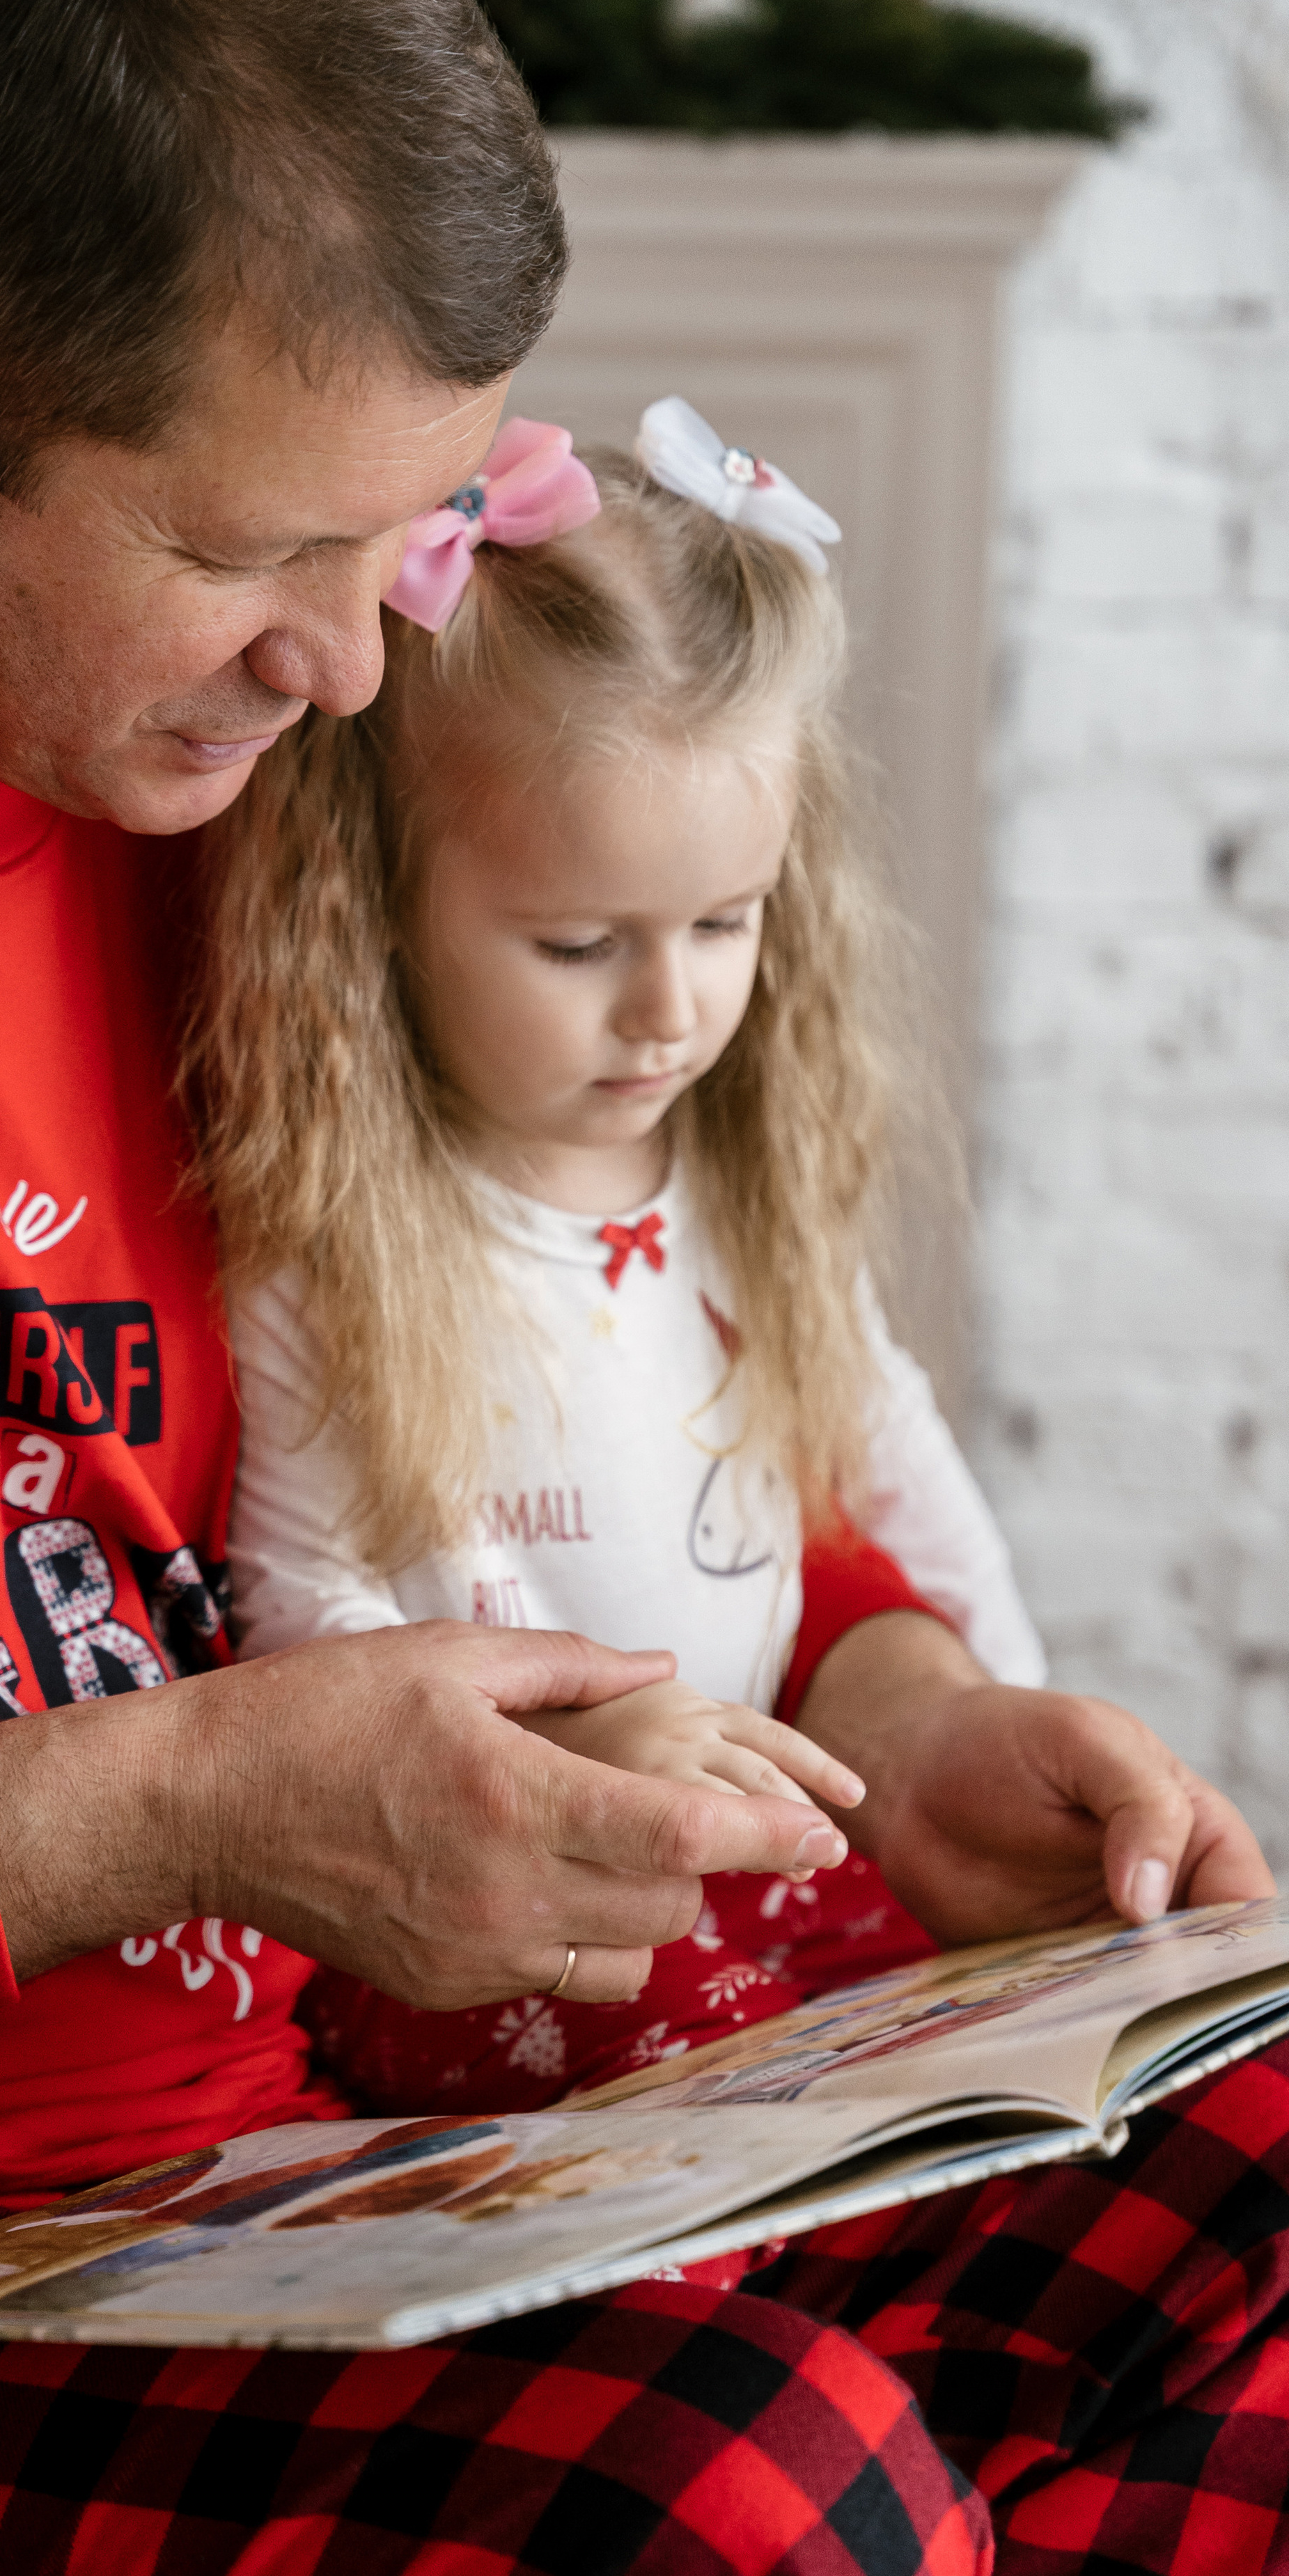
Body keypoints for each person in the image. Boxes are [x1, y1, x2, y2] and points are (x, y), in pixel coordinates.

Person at [0, 0, 1289, 2576]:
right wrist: (179, 1805)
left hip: (349, 2152)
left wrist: (894, 1702)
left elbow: (628, 1323)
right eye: (258, 550)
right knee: (751, 2500)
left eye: (411, 535)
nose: (345, 658)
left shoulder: (223, 751)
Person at [208, 403, 1050, 2112]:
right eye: (580, 944)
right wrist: (556, 1760)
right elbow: (300, 1621)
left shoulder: (737, 1186)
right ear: (375, 897)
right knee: (755, 2109)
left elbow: (887, 1465)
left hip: (771, 1873)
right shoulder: (339, 1241)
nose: (670, 1011)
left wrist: (990, 1706)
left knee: (979, 2078)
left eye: (725, 924)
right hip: (514, 1926)